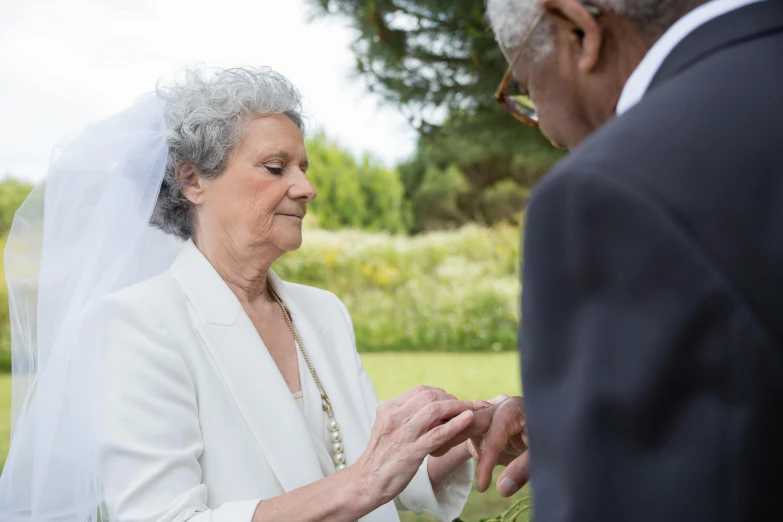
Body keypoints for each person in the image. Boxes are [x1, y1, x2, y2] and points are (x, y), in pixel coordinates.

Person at [0, 67, 478, 522]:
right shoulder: (138, 323)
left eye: (303, 168)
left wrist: (474, 435)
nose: (306, 187)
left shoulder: (324, 311)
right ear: (192, 181)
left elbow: (381, 472)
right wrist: (361, 483)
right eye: (276, 167)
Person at [469, 0, 783, 519]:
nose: (543, 125)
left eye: (526, 87)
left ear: (579, 30)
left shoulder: (612, 191)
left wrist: (604, 455)